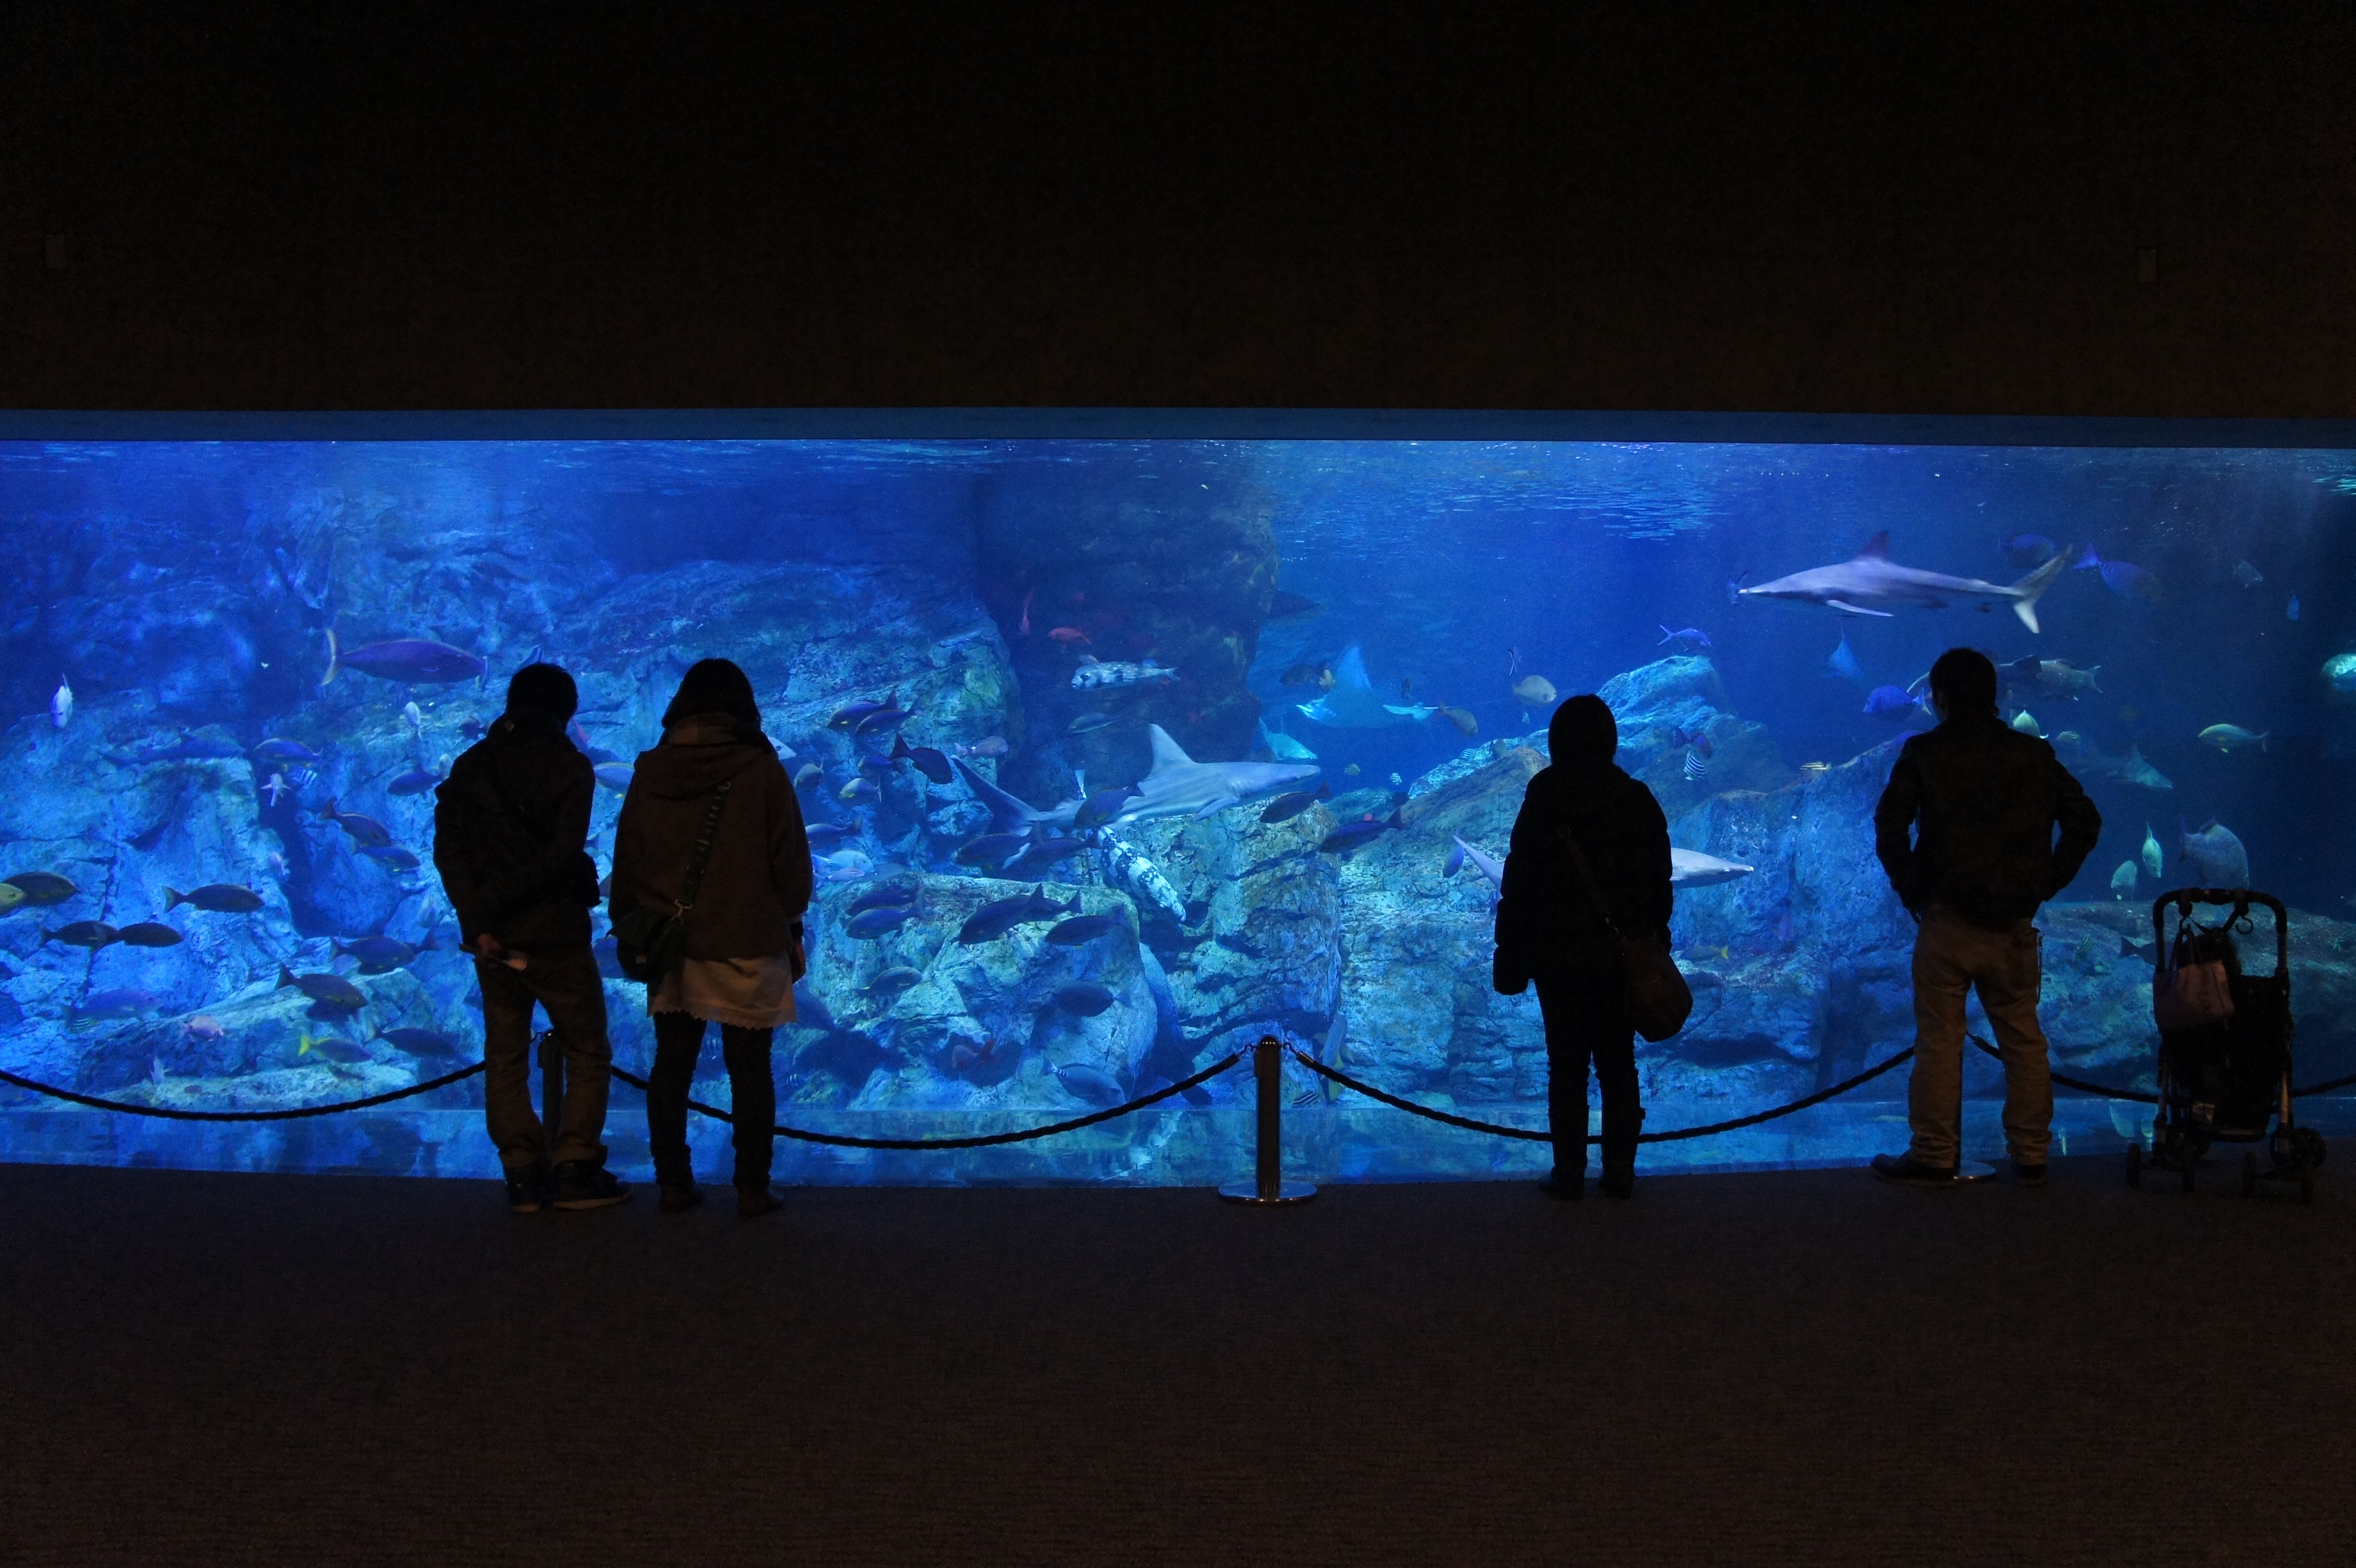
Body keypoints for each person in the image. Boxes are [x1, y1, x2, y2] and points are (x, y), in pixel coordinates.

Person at [1872, 646, 2101, 1188]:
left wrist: (1912, 890)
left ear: (1939, 696)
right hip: (2011, 924)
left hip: (1946, 919)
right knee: (2022, 1037)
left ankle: (1932, 1151)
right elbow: (2084, 822)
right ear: (1995, 695)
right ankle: (2031, 1153)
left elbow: (1888, 826)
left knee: (1938, 1040)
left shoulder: (1924, 751)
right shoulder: (2032, 754)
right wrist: (2043, 884)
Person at [611, 658, 812, 1220]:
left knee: (671, 1062)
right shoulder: (762, 769)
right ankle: (751, 1186)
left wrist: (628, 920)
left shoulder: (651, 771)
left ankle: (672, 1182)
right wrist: (791, 918)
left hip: (673, 940)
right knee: (750, 1065)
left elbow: (626, 857)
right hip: (747, 935)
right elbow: (790, 861)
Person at [433, 662, 629, 1213]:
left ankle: (521, 1172)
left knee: (505, 1051)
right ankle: (574, 1165)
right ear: (564, 711)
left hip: (490, 938)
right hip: (554, 933)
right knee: (587, 1047)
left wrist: (478, 919)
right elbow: (560, 856)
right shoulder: (570, 768)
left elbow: (448, 853)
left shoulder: (470, 767)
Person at [1493, 694, 1673, 1200]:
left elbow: (1519, 882)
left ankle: (1568, 1170)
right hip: (1619, 961)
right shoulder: (1635, 797)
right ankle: (1619, 1169)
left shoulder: (1544, 795)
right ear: (1610, 741)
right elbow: (1658, 883)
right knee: (1618, 1063)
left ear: (1555, 742)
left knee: (1565, 1065)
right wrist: (1654, 942)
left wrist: (1510, 954)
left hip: (1557, 957)